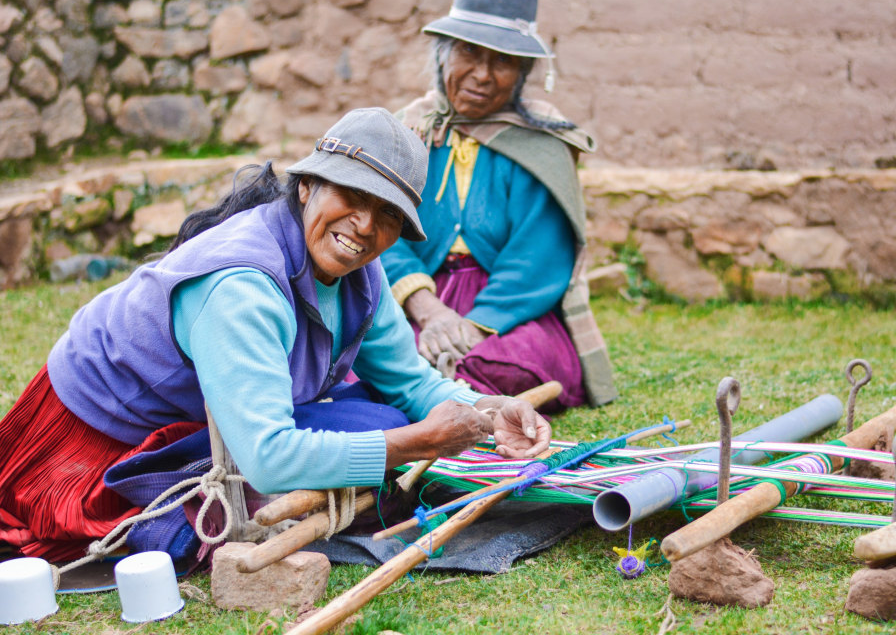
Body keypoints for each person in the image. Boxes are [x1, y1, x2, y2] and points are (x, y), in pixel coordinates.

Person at [0, 107, 550, 563]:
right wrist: (420, 443)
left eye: (386, 214)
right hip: (91, 444)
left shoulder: (364, 272)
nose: (364, 225)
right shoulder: (243, 287)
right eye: (352, 196)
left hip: (200, 421)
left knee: (384, 417)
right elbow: (267, 457)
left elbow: (408, 381)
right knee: (384, 438)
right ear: (307, 184)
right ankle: (163, 498)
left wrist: (484, 408)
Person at [384, 0, 617, 413]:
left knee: (512, 364)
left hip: (506, 313)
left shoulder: (541, 145)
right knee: (376, 356)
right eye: (469, 52)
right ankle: (439, 392)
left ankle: (442, 394)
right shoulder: (406, 132)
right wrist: (427, 311)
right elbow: (380, 232)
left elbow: (537, 258)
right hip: (416, 300)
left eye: (503, 61)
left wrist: (473, 327)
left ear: (524, 72)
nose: (483, 74)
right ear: (443, 55)